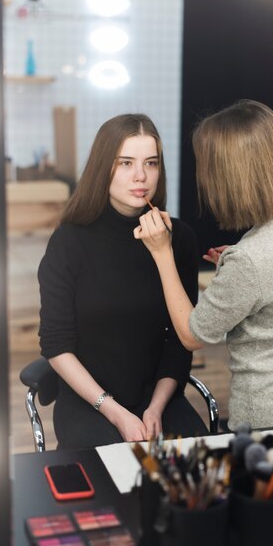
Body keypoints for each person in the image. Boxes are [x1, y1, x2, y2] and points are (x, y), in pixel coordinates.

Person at [134, 99, 273, 431]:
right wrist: (245, 271)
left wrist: (163, 254)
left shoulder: (251, 260)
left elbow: (192, 335)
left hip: (272, 424)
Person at [38, 113, 208, 449]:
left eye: (151, 163)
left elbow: (181, 340)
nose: (140, 176)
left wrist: (156, 407)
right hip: (91, 401)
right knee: (122, 477)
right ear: (104, 168)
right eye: (126, 163)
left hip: (158, 395)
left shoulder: (180, 238)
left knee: (200, 475)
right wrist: (115, 412)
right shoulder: (70, 241)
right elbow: (56, 345)